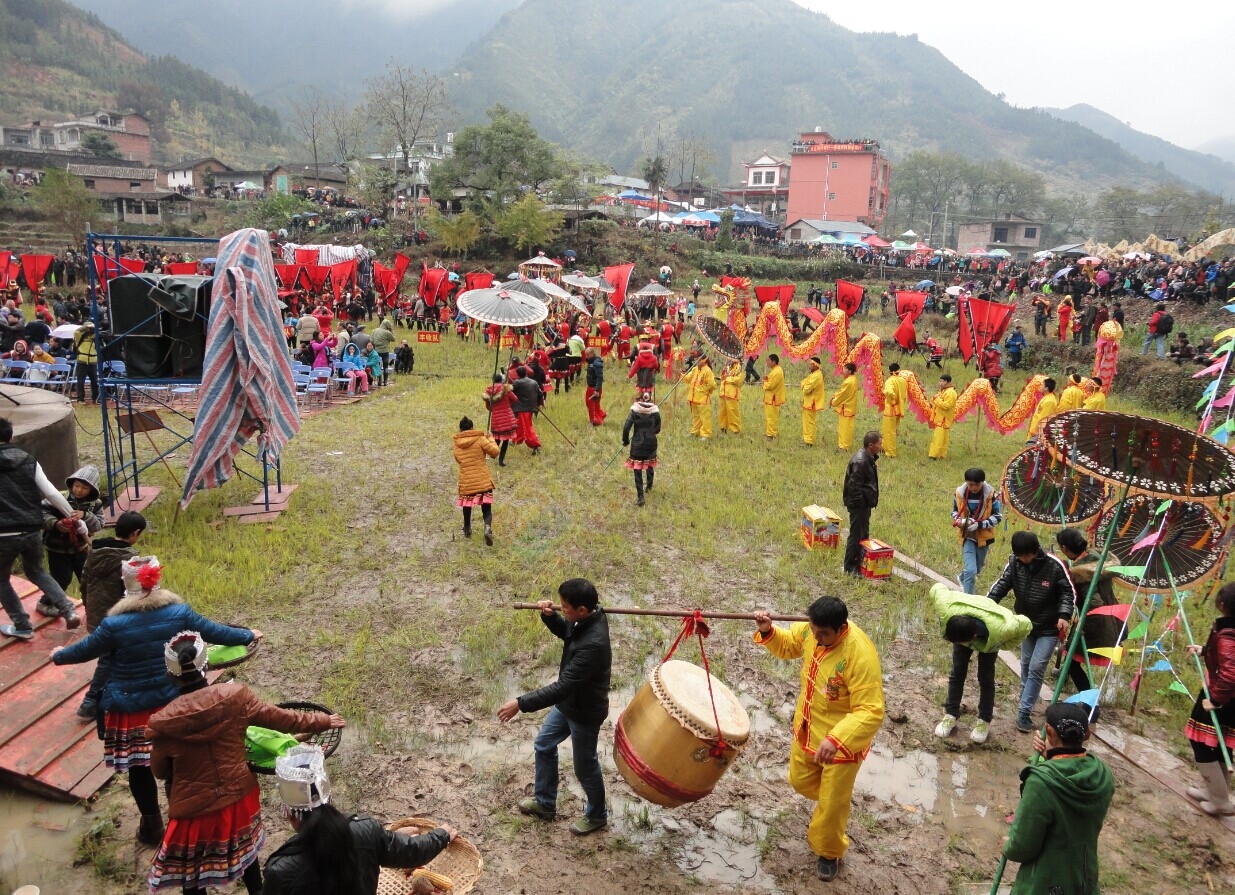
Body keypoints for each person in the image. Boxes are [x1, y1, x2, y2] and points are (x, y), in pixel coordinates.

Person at [51, 556, 259, 844]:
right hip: (170, 701)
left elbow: (85, 650)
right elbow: (214, 631)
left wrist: (58, 655)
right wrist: (248, 634)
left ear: (125, 584)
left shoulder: (114, 624)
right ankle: (180, 819)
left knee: (139, 769)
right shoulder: (178, 613)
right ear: (157, 581)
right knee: (176, 763)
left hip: (129, 708)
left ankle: (151, 826)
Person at [146, 633, 344, 895]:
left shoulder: (163, 722)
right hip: (238, 799)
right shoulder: (234, 696)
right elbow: (281, 719)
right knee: (247, 858)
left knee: (191, 876)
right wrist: (322, 721)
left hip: (192, 810)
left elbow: (160, 771)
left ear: (171, 674)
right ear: (207, 665)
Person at [753, 597, 884, 882]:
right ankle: (830, 804)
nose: (816, 637)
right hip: (808, 728)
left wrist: (837, 739)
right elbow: (789, 645)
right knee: (799, 780)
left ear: (841, 628)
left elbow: (871, 710)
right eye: (813, 630)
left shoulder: (859, 654)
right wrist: (768, 631)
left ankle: (829, 851)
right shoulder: (812, 631)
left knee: (833, 801)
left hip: (842, 743)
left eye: (823, 634)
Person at [263, 745, 458, 895]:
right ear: (329, 799)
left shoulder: (280, 870)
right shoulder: (365, 831)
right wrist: (441, 836)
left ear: (289, 813)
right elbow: (411, 851)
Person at [498, 579, 611, 836]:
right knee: (544, 744)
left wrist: (520, 703)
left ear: (582, 609)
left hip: (584, 712)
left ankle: (597, 815)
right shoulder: (587, 618)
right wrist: (549, 617)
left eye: (564, 607)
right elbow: (568, 632)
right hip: (567, 704)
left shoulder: (594, 644)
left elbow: (562, 687)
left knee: (585, 766)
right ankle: (545, 803)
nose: (562, 610)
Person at [1001, 702, 1114, 893]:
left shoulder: (1041, 782)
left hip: (1046, 882)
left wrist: (1008, 846)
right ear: (1086, 735)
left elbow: (1023, 847)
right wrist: (1050, 756)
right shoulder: (1103, 775)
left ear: (1048, 731)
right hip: (1083, 878)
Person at [0, 416, 83, 638]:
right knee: (37, 571)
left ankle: (22, 625)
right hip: (32, 530)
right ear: (11, 436)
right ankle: (68, 611)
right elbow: (52, 493)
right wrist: (75, 519)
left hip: (3, 534)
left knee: (1, 579)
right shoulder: (29, 460)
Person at [986, 531, 1077, 733]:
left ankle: (1024, 712)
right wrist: (986, 605)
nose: (1021, 560)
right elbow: (1002, 585)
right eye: (1018, 556)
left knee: (1036, 667)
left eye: (1024, 556)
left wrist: (1064, 614)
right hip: (1025, 624)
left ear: (1034, 551)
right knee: (1026, 664)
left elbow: (1067, 591)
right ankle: (1026, 697)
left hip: (1049, 627)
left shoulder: (1054, 565)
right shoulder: (1015, 564)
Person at [931, 582, 1031, 744]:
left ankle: (984, 721)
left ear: (973, 637)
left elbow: (1026, 625)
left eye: (963, 642)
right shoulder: (946, 610)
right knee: (957, 672)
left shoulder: (1001, 629)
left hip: (991, 633)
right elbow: (937, 587)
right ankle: (951, 714)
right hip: (964, 619)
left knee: (985, 679)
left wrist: (1005, 644)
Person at [76, 509, 146, 719]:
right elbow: (134, 595)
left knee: (115, 657)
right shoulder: (130, 560)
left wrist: (89, 609)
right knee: (107, 661)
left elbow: (83, 583)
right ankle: (90, 703)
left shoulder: (94, 551)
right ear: (135, 533)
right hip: (116, 620)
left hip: (97, 616)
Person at [1183, 581, 1235, 815]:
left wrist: (1214, 700)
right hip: (1226, 696)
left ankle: (1221, 801)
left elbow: (1231, 672)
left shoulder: (1226, 636)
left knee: (1202, 743)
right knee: (1219, 743)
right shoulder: (1227, 632)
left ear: (1222, 605)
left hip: (1222, 697)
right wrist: (1204, 650)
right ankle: (1217, 792)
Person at [1054, 528, 1123, 695]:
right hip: (1112, 616)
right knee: (1070, 656)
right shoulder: (1097, 560)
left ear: (1065, 549)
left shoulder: (1082, 574)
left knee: (1071, 660)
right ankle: (1064, 682)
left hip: (1096, 623)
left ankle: (1088, 699)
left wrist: (1083, 625)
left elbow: (1094, 604)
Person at [42, 463, 104, 596]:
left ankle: (90, 607)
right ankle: (47, 603)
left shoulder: (96, 504)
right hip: (57, 549)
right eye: (76, 485)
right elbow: (39, 513)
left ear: (92, 490)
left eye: (84, 488)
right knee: (61, 580)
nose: (79, 490)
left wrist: (86, 515)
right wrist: (55, 523)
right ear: (71, 484)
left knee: (87, 581)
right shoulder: (58, 498)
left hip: (81, 549)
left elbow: (99, 525)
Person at [952, 468, 1002, 595]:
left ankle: (962, 577)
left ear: (983, 482)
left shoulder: (991, 495)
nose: (974, 488)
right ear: (966, 482)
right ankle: (969, 598)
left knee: (977, 569)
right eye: (970, 484)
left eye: (977, 485)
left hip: (983, 536)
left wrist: (979, 524)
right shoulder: (959, 494)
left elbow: (998, 517)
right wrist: (958, 520)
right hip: (967, 535)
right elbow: (954, 511)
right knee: (971, 571)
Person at [453, 416, 498, 545]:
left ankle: (467, 529)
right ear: (472, 427)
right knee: (486, 507)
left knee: (467, 505)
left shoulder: (457, 444)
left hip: (466, 480)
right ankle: (487, 527)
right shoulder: (480, 439)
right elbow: (495, 452)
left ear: (460, 429)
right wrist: (490, 439)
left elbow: (458, 459)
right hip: (482, 479)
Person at [842, 431, 881, 577]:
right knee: (855, 535)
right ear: (871, 445)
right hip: (858, 505)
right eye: (879, 444)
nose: (880, 446)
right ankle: (850, 567)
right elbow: (854, 488)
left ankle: (860, 562)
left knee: (863, 535)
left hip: (864, 505)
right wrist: (860, 504)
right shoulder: (860, 461)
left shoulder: (868, 458)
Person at [621, 397, 661, 506]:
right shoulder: (655, 413)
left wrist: (625, 441)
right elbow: (658, 429)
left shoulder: (634, 412)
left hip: (637, 444)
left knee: (637, 470)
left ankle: (640, 497)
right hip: (651, 443)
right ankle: (649, 486)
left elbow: (626, 428)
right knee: (649, 465)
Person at [484, 375, 518, 466]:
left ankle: (492, 453)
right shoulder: (505, 388)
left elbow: (488, 407)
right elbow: (515, 399)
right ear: (501, 380)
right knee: (506, 440)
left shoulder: (488, 391)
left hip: (496, 418)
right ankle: (501, 461)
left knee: (497, 438)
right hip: (507, 417)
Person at [510, 367, 542, 455]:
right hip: (530, 408)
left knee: (527, 427)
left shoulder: (517, 382)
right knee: (519, 424)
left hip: (523, 409)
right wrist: (537, 403)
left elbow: (509, 392)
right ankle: (515, 440)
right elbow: (540, 393)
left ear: (518, 374)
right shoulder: (533, 382)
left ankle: (535, 445)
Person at [684, 353, 716, 438]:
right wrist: (680, 374)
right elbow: (688, 378)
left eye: (698, 359)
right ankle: (695, 432)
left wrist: (705, 391)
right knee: (696, 417)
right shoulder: (695, 369)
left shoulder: (707, 371)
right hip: (693, 398)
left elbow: (712, 384)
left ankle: (706, 434)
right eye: (695, 359)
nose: (696, 361)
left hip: (703, 399)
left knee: (705, 417)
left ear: (704, 361)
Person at [830, 362, 859, 452]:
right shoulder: (853, 379)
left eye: (844, 369)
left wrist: (834, 401)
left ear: (850, 371)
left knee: (845, 428)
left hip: (846, 408)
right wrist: (835, 395)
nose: (843, 370)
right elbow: (842, 392)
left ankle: (844, 447)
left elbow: (843, 394)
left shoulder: (849, 381)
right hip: (849, 407)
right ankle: (843, 445)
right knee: (845, 427)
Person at [880, 363, 907, 458]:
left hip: (891, 409)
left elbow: (889, 392)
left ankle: (890, 452)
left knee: (888, 430)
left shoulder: (890, 381)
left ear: (889, 371)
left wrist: (885, 394)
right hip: (899, 409)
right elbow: (904, 395)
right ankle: (884, 447)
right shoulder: (902, 380)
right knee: (893, 429)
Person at [928, 374, 957, 460]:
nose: (939, 383)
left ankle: (934, 455)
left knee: (938, 438)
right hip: (941, 418)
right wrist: (935, 398)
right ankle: (941, 455)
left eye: (941, 381)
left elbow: (946, 405)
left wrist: (937, 399)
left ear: (946, 382)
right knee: (942, 438)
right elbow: (934, 400)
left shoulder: (950, 392)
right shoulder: (944, 391)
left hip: (943, 419)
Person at [800, 356, 826, 446]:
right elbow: (803, 383)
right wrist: (804, 385)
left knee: (809, 422)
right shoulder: (813, 374)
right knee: (807, 422)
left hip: (811, 402)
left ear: (816, 365)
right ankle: (807, 439)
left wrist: (804, 386)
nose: (809, 366)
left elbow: (806, 389)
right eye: (809, 364)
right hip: (808, 402)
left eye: (811, 364)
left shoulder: (816, 376)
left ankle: (809, 441)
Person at [762, 354, 786, 438]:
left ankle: (771, 434)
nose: (767, 362)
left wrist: (764, 382)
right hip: (771, 398)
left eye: (768, 360)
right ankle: (771, 432)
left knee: (771, 417)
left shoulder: (777, 371)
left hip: (773, 398)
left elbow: (771, 385)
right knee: (771, 416)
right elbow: (772, 381)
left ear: (773, 362)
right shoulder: (775, 370)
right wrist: (767, 378)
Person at [718, 359, 743, 434]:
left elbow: (738, 380)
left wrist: (727, 378)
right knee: (722, 412)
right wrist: (723, 374)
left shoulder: (738, 367)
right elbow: (722, 377)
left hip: (731, 393)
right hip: (723, 392)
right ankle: (723, 427)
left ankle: (735, 429)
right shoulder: (727, 366)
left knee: (732, 412)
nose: (729, 359)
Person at [584, 348, 606, 426]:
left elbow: (599, 378)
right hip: (590, 387)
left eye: (588, 355)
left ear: (592, 354)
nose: (586, 356)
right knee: (594, 404)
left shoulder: (597, 364)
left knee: (591, 405)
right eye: (585, 355)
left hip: (594, 388)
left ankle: (594, 421)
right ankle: (601, 415)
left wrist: (596, 390)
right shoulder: (591, 362)